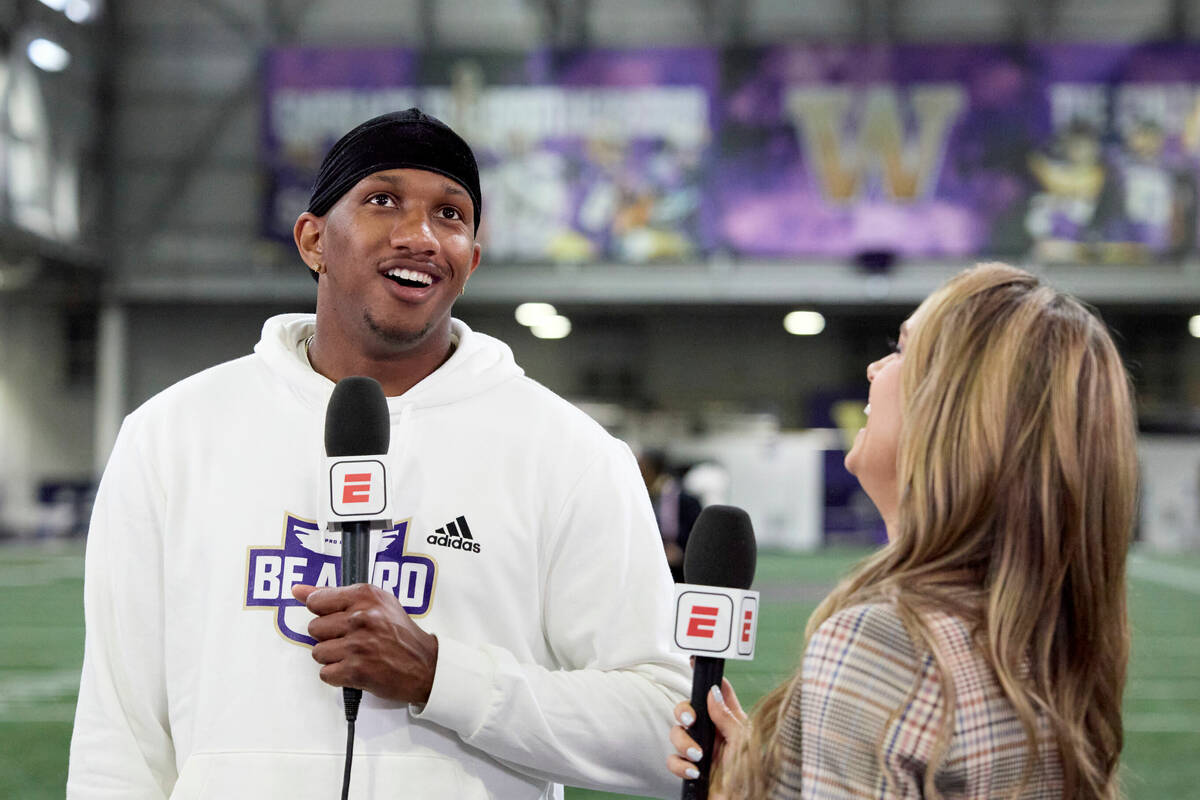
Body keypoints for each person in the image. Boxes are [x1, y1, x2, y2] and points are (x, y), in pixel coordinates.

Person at [68, 108, 691, 799]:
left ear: (471, 260)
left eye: (451, 214)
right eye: (382, 200)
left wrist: (439, 676)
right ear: (312, 240)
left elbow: (668, 733)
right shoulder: (170, 434)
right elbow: (117, 733)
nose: (420, 235)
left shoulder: (569, 453)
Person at [667, 263, 1136, 799]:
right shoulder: (1040, 638)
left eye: (903, 350)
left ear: (955, 410)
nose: (874, 367)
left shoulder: (887, 645)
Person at [638, 448, 703, 581]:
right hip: (645, 570)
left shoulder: (687, 502)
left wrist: (681, 553)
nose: (639, 473)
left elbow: (698, 541)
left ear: (655, 471)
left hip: (676, 573)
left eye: (643, 469)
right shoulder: (640, 498)